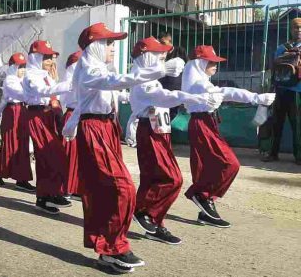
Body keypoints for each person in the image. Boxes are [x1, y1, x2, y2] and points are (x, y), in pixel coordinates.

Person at [62, 23, 181, 273]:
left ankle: (110, 246)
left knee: (107, 190)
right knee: (121, 187)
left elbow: (88, 100)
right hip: (95, 130)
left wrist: (73, 123)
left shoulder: (99, 67)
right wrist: (160, 70)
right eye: (108, 43)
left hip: (106, 127)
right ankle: (113, 246)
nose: (113, 48)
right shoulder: (88, 68)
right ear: (94, 46)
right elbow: (111, 83)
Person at [126, 37, 220, 245]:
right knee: (172, 178)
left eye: (164, 53)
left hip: (159, 128)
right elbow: (163, 97)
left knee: (152, 178)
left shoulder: (149, 77)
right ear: (145, 55)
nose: (164, 56)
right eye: (158, 53)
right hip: (150, 130)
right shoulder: (140, 78)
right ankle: (142, 211)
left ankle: (153, 220)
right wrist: (193, 98)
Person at [181, 45, 275, 228]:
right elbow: (227, 93)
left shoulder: (198, 79)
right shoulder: (199, 83)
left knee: (208, 167)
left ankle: (205, 208)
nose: (215, 66)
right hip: (202, 124)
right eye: (211, 62)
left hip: (207, 123)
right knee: (229, 163)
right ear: (199, 63)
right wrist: (256, 98)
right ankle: (201, 195)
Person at [22, 40, 72, 214]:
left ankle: (48, 194)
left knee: (50, 157)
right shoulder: (31, 75)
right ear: (36, 57)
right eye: (46, 57)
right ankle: (46, 195)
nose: (50, 61)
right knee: (49, 155)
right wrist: (71, 84)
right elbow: (42, 91)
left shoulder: (46, 75)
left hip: (49, 115)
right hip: (37, 115)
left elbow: (54, 93)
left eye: (51, 57)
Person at [263, 17, 301, 163]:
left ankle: (299, 156)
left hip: (297, 92)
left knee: (297, 125)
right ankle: (272, 153)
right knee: (276, 123)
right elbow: (274, 69)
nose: (298, 30)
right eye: (295, 28)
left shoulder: (281, 48)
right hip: (280, 90)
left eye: (300, 28)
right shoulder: (282, 48)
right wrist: (271, 88)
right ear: (291, 30)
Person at [0, 53, 34, 191]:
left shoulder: (24, 80)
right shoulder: (10, 80)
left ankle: (21, 178)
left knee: (22, 144)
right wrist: (36, 92)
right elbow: (20, 94)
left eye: (24, 66)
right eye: (19, 66)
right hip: (12, 112)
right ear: (12, 67)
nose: (22, 69)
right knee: (10, 144)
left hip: (22, 110)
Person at [60, 50, 82, 202]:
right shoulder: (70, 81)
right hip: (72, 115)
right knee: (70, 155)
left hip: (82, 117)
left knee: (80, 155)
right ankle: (65, 187)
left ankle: (76, 187)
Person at [157, 32, 188, 120]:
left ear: (170, 41)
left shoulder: (180, 51)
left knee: (175, 116)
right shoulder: (160, 53)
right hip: (163, 89)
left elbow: (187, 67)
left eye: (163, 43)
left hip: (177, 89)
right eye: (160, 43)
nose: (161, 45)